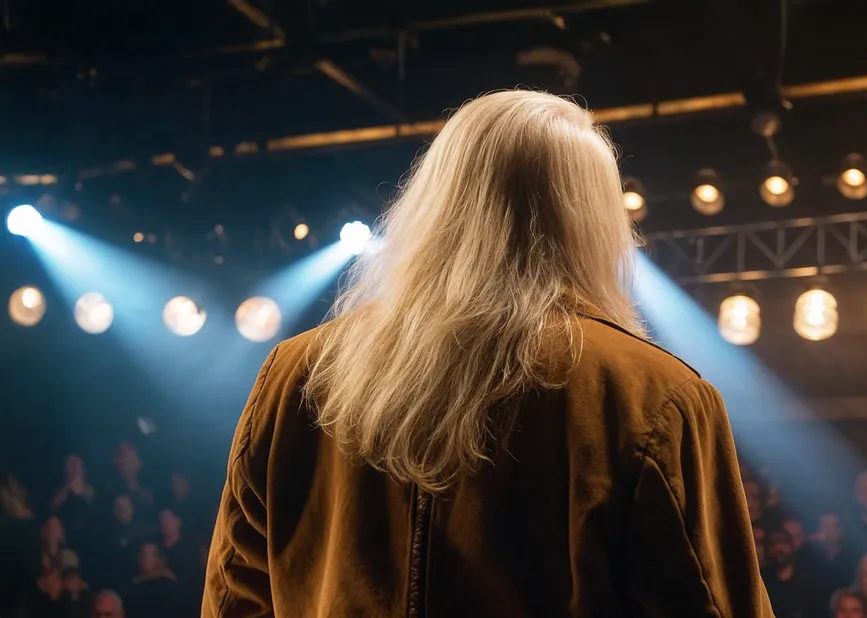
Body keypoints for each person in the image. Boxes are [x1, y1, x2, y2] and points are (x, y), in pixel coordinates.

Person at [203, 90, 771, 617]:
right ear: (595, 222)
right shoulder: (652, 394)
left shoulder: (298, 372)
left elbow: (234, 599)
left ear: (435, 200)